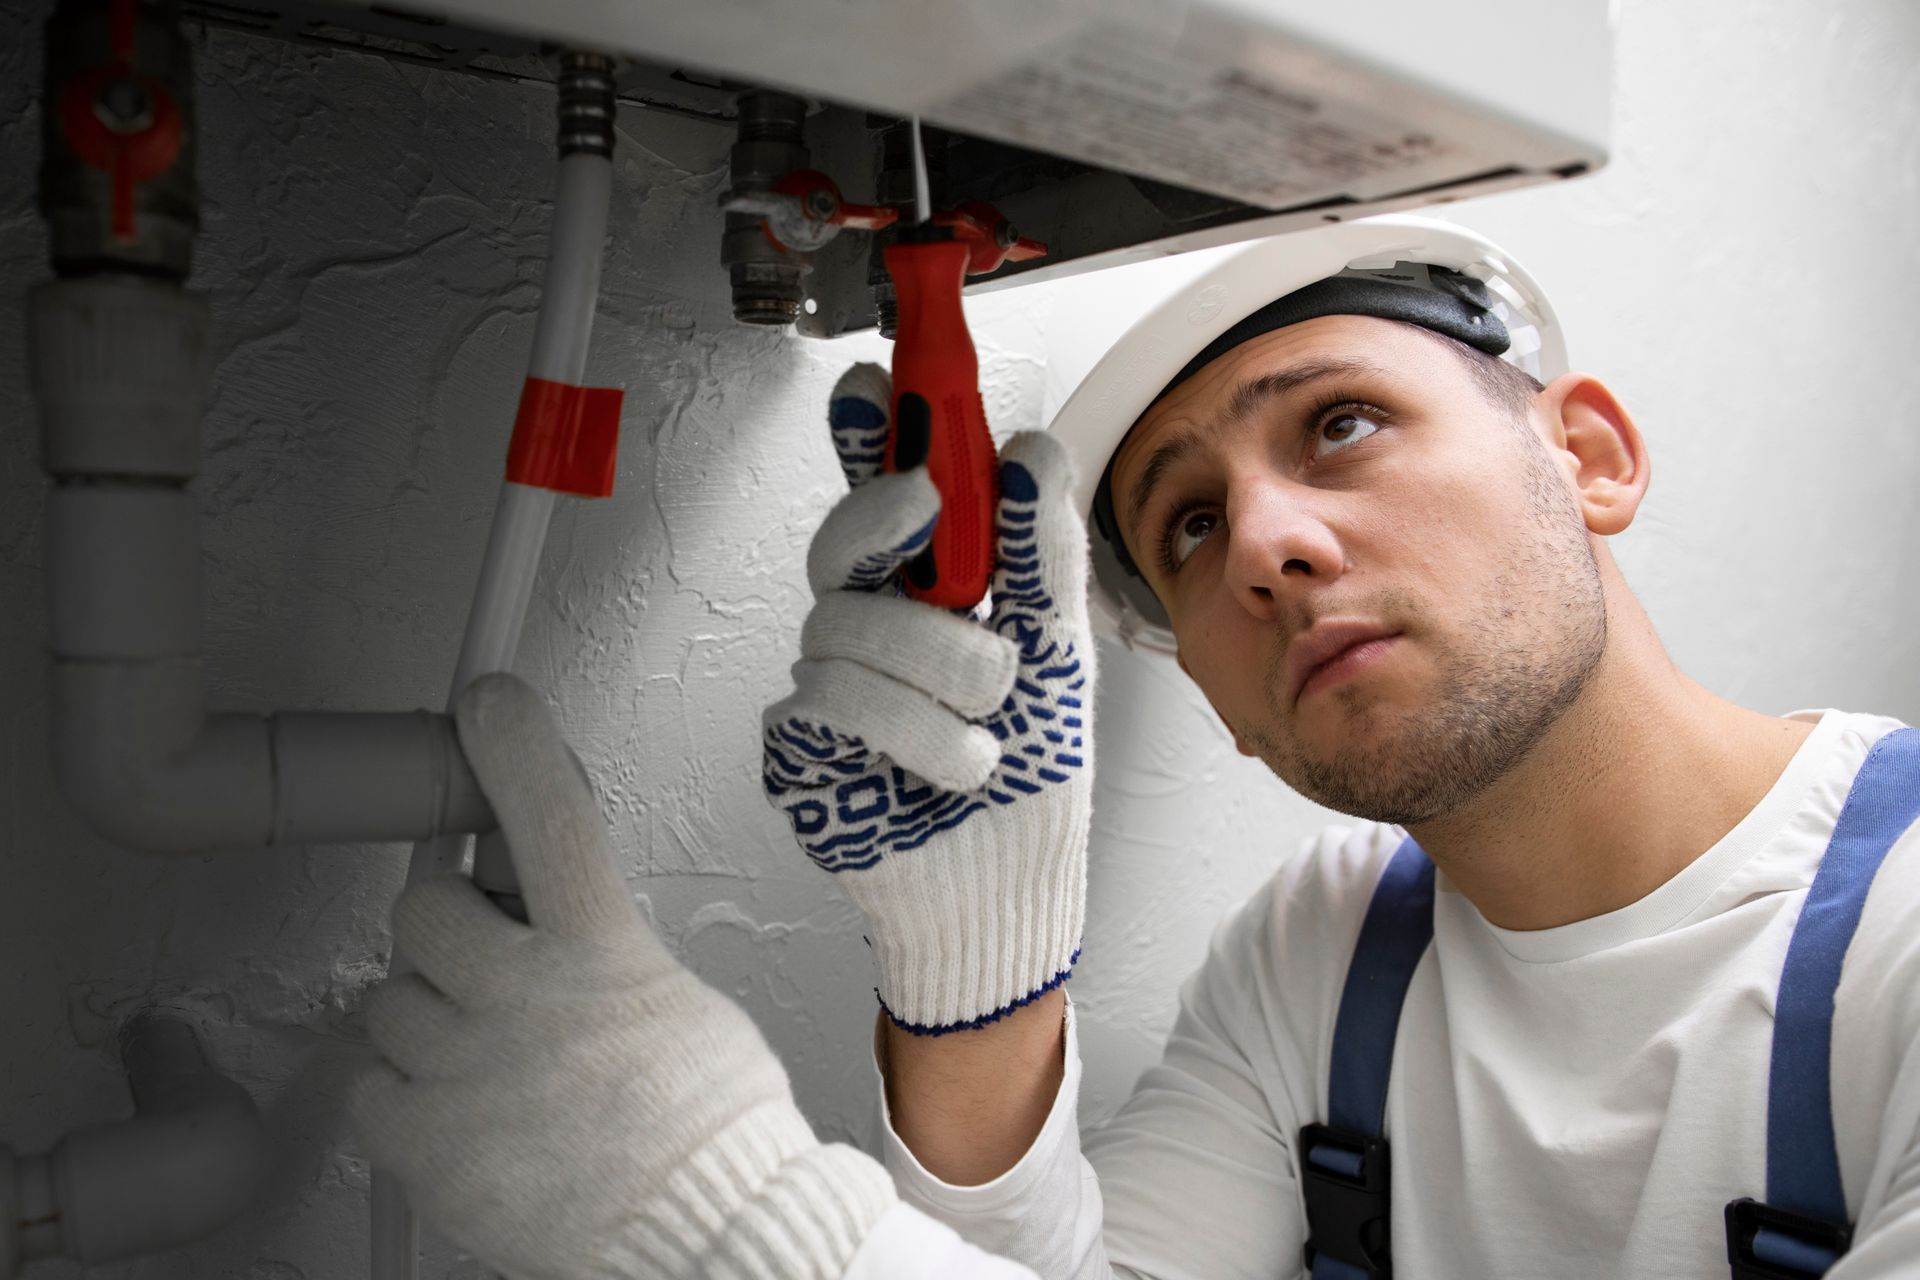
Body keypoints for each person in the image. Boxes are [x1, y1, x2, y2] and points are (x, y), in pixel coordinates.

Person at [349, 215, 1920, 1279]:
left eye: (1343, 424)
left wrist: (728, 1212)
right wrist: (977, 974)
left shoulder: (1898, 931)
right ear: (1225, 709)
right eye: (1188, 523)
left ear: (1587, 457)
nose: (1267, 546)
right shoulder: (1325, 955)